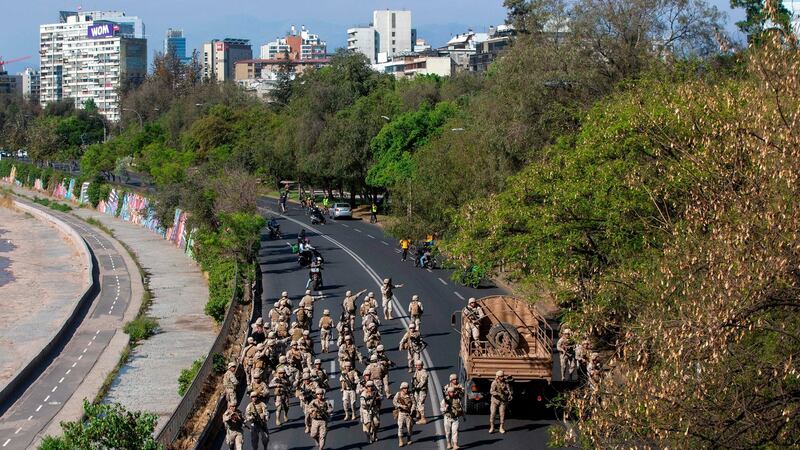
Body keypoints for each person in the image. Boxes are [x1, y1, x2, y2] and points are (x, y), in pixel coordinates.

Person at [393, 381, 415, 447]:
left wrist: (412, 409)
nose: (406, 389)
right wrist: (400, 406)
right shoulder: (398, 394)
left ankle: (409, 438)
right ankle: (401, 440)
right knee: (400, 427)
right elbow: (394, 402)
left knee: (409, 427)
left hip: (408, 414)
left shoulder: (410, 395)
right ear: (402, 388)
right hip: (401, 413)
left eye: (407, 388)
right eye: (404, 388)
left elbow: (414, 403)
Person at [412, 359, 429, 424]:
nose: (418, 366)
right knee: (416, 401)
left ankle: (423, 418)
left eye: (419, 365)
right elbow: (414, 378)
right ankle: (418, 414)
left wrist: (417, 387)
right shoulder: (417, 371)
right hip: (417, 390)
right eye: (417, 365)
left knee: (420, 403)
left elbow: (423, 382)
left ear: (422, 365)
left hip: (422, 390)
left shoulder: (423, 372)